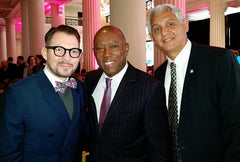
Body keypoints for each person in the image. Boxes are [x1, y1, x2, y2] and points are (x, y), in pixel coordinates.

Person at [148, 4, 240, 162]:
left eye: (170, 23)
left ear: (185, 24)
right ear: (153, 38)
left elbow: (236, 125)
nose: (163, 32)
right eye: (156, 29)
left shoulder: (219, 61)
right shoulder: (159, 75)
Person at [0, 25, 89, 162]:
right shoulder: (18, 94)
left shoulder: (81, 89)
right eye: (59, 50)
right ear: (45, 53)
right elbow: (9, 153)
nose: (67, 58)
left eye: (73, 51)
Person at [85, 25, 170, 162]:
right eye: (100, 48)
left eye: (114, 46)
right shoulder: (90, 80)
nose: (106, 54)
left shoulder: (149, 87)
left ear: (126, 48)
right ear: (94, 51)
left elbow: (158, 147)